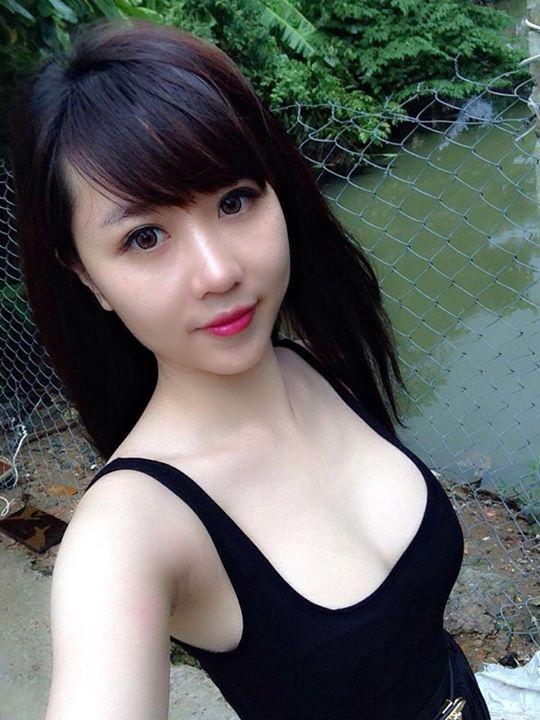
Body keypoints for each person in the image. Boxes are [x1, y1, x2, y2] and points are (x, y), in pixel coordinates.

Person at [7, 17, 491, 720]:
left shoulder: (319, 368)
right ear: (87, 277)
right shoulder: (130, 534)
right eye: (145, 236)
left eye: (234, 201)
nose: (218, 272)